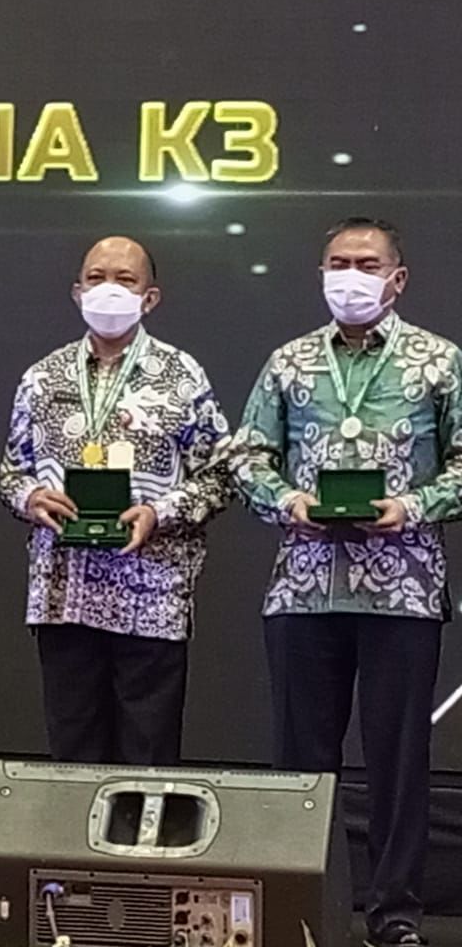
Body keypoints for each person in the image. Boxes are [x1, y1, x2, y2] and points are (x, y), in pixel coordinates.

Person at [230, 217, 462, 947]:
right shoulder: (290, 362)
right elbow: (245, 457)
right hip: (303, 588)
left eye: (366, 263)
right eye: (338, 262)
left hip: (403, 590)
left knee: (399, 761)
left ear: (398, 278)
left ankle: (394, 914)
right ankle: (303, 909)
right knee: (302, 766)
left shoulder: (440, 362)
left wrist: (412, 506)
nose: (350, 275)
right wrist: (287, 502)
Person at [0, 236, 230, 766]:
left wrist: (159, 513)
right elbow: (12, 472)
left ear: (150, 297)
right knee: (72, 754)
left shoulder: (182, 375)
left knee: (146, 758)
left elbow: (221, 474)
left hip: (151, 595)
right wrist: (31, 497)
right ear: (77, 292)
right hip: (64, 595)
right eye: (96, 277)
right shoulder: (42, 377)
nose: (109, 288)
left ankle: (142, 827)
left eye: (125, 280)